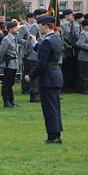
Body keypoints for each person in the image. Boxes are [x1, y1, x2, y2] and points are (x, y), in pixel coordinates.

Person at [25, 16, 63, 144]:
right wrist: (35, 43)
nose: (38, 28)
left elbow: (42, 62)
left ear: (45, 26)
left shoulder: (47, 41)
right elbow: (44, 52)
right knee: (55, 107)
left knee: (49, 108)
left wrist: (30, 75)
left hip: (48, 77)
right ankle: (56, 133)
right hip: (55, 75)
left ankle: (52, 136)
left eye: (40, 25)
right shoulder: (55, 38)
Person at [0, 21, 20, 108]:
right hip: (8, 63)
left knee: (11, 82)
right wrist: (1, 61)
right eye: (15, 28)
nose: (16, 29)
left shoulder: (14, 38)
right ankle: (6, 100)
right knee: (7, 83)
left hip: (14, 62)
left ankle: (11, 100)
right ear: (10, 29)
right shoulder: (6, 39)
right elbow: (2, 52)